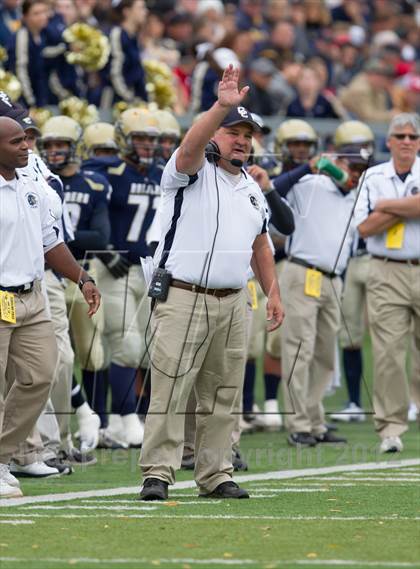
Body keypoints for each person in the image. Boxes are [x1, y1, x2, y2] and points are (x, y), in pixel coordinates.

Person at [139, 65, 284, 501]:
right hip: (184, 295)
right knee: (171, 387)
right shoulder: (190, 171)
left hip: (234, 300)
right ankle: (158, 473)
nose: (241, 139)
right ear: (214, 132)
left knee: (223, 393)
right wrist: (218, 106)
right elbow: (189, 146)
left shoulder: (252, 189)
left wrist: (273, 290)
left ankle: (216, 473)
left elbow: (260, 243)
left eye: (248, 133)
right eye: (232, 130)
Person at [0, 116, 101, 498]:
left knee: (44, 374)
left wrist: (83, 278)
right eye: (16, 142)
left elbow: (51, 242)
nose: (26, 146)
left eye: (26, 140)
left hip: (33, 295)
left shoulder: (34, 186)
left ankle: (2, 456)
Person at [271, 124, 356, 447]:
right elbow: (274, 189)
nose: (301, 150)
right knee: (299, 350)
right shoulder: (295, 180)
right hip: (302, 271)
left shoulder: (336, 180)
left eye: (305, 145)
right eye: (294, 144)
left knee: (324, 355)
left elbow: (349, 184)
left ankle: (315, 419)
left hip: (332, 277)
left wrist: (331, 167)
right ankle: (297, 423)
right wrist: (307, 166)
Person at [355, 112, 420, 454]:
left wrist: (386, 206)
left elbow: (376, 215)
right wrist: (408, 207)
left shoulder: (382, 186)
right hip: (386, 268)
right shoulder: (372, 176)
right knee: (389, 353)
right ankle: (391, 428)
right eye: (401, 136)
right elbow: (364, 228)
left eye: (413, 136)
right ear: (390, 141)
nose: (407, 141)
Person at [329, 120, 376, 423]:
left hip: (377, 258)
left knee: (391, 333)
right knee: (349, 335)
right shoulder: (331, 183)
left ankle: (397, 401)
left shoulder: (381, 179)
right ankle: (355, 402)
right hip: (347, 262)